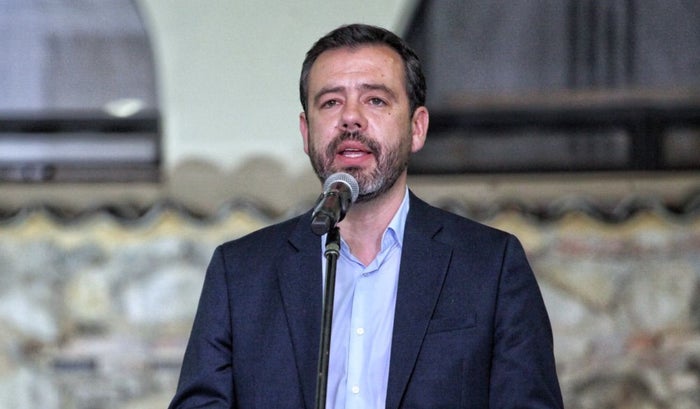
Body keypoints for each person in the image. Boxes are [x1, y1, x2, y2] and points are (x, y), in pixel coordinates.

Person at [169, 23, 563, 409]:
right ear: (306, 132)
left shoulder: (490, 266)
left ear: (417, 128)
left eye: (375, 100)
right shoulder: (241, 273)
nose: (350, 118)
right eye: (331, 102)